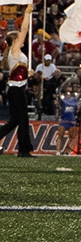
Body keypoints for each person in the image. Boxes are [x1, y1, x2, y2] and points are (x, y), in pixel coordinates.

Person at [1, 18, 31, 156]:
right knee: (22, 120)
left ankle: (24, 149)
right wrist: (27, 13)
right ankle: (24, 150)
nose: (22, 38)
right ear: (14, 41)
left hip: (17, 89)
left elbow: (20, 72)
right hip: (16, 90)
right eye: (18, 38)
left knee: (14, 121)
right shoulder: (14, 51)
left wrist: (28, 73)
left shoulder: (15, 53)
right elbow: (24, 30)